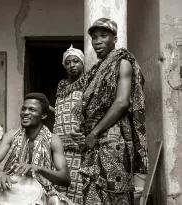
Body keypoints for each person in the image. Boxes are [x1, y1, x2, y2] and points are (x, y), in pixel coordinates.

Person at [71, 18, 149, 205]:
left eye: (104, 36)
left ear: (115, 38)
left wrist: (95, 133)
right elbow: (89, 109)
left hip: (114, 138)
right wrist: (82, 132)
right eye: (94, 37)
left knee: (115, 192)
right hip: (93, 139)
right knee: (92, 193)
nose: (98, 41)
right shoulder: (95, 71)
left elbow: (122, 102)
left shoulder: (122, 63)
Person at [0, 93, 74, 205]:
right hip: (13, 188)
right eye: (24, 109)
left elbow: (65, 179)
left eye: (32, 110)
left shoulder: (54, 140)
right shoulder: (11, 135)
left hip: (42, 192)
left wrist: (39, 169)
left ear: (43, 115)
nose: (25, 113)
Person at [52, 45, 85, 204]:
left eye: (76, 61)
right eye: (68, 62)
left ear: (83, 63)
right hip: (60, 149)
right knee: (60, 190)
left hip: (79, 148)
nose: (72, 65)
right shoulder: (61, 87)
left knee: (79, 189)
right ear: (64, 66)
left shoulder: (89, 86)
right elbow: (61, 113)